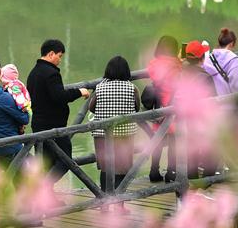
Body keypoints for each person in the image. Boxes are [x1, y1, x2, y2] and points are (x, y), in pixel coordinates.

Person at [26, 39, 90, 182]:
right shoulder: (51, 73)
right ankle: (44, 189)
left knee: (45, 164)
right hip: (54, 127)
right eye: (59, 56)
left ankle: (43, 199)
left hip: (38, 124)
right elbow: (59, 96)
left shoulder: (33, 73)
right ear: (51, 54)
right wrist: (80, 92)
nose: (60, 60)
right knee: (65, 160)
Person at [90, 56, 139, 207]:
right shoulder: (132, 88)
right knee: (122, 169)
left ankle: (104, 204)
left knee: (106, 168)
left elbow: (92, 107)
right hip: (124, 135)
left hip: (102, 135)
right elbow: (137, 108)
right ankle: (119, 205)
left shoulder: (99, 87)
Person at [177, 40, 219, 179]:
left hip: (183, 121)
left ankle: (192, 182)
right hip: (201, 122)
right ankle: (205, 184)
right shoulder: (206, 78)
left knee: (191, 153)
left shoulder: (180, 74)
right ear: (202, 58)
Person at [145, 36, 182, 182]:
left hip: (158, 106)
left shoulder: (153, 64)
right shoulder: (177, 65)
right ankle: (171, 172)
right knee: (173, 142)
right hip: (173, 106)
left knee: (158, 141)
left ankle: (154, 171)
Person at [203, 28, 238, 96]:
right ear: (231, 44)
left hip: (211, 102)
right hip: (227, 103)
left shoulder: (208, 58)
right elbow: (237, 88)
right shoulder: (233, 60)